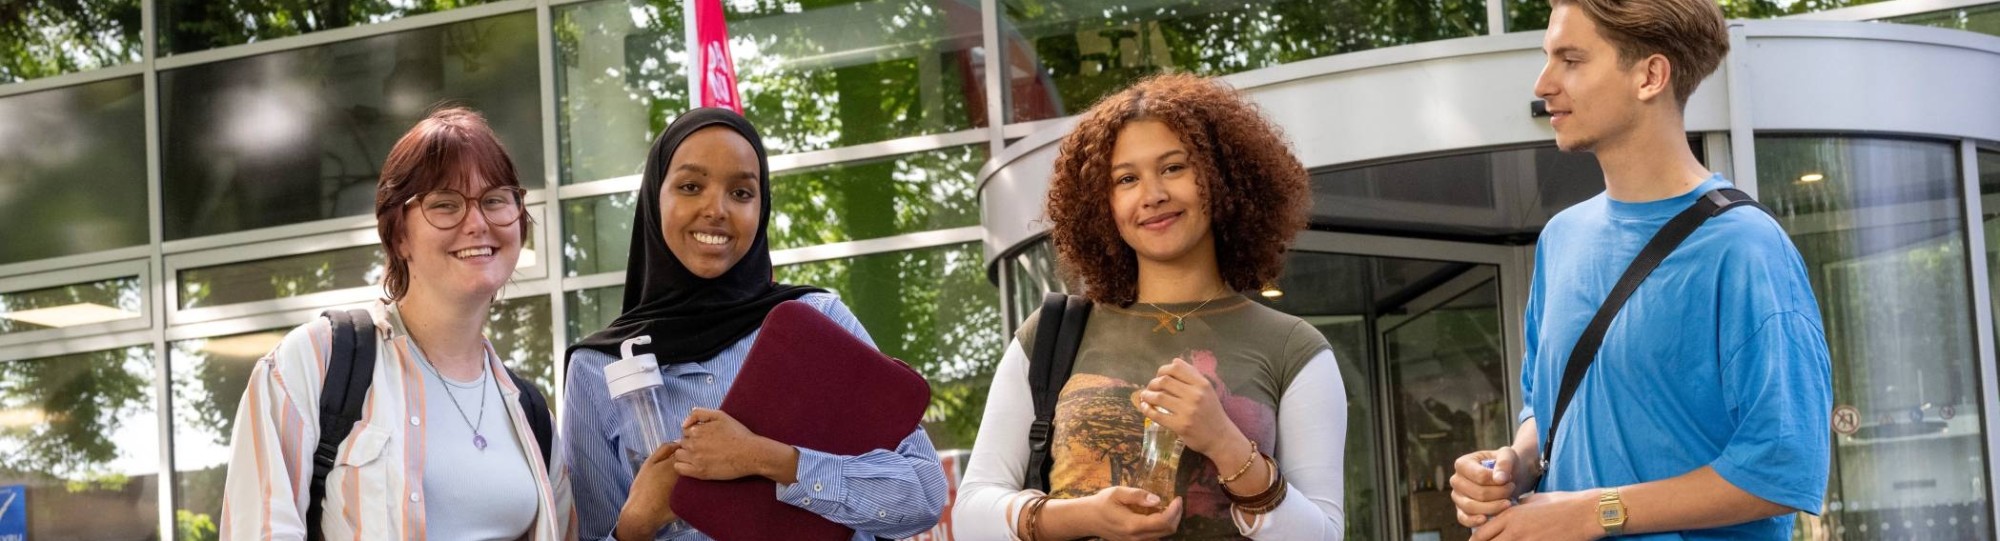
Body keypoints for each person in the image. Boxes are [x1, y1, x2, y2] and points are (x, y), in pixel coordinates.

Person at [1447, 0, 1834, 539]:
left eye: (1571, 60)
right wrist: (1511, 465)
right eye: (1547, 58)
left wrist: (1591, 512)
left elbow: (1783, 467)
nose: (1543, 83)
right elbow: (1546, 410)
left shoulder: (1746, 249)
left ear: (1650, 75)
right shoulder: (1561, 238)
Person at [954, 73, 1347, 540]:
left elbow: (1323, 534)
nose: (1152, 194)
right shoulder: (1052, 333)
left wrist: (1224, 442)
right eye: (1126, 179)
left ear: (1221, 179)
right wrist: (1083, 515)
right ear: (1103, 204)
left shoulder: (1294, 348)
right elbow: (972, 515)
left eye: (1174, 168)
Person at [563, 108, 949, 541]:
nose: (717, 210)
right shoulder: (597, 367)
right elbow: (590, 531)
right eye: (691, 187)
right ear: (655, 198)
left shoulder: (816, 322)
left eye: (742, 193)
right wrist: (636, 523)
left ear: (761, 208)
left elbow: (922, 494)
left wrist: (769, 460)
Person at [219, 107, 573, 540]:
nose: (477, 223)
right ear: (398, 235)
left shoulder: (531, 415)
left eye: (496, 200)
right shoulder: (318, 361)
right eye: (446, 205)